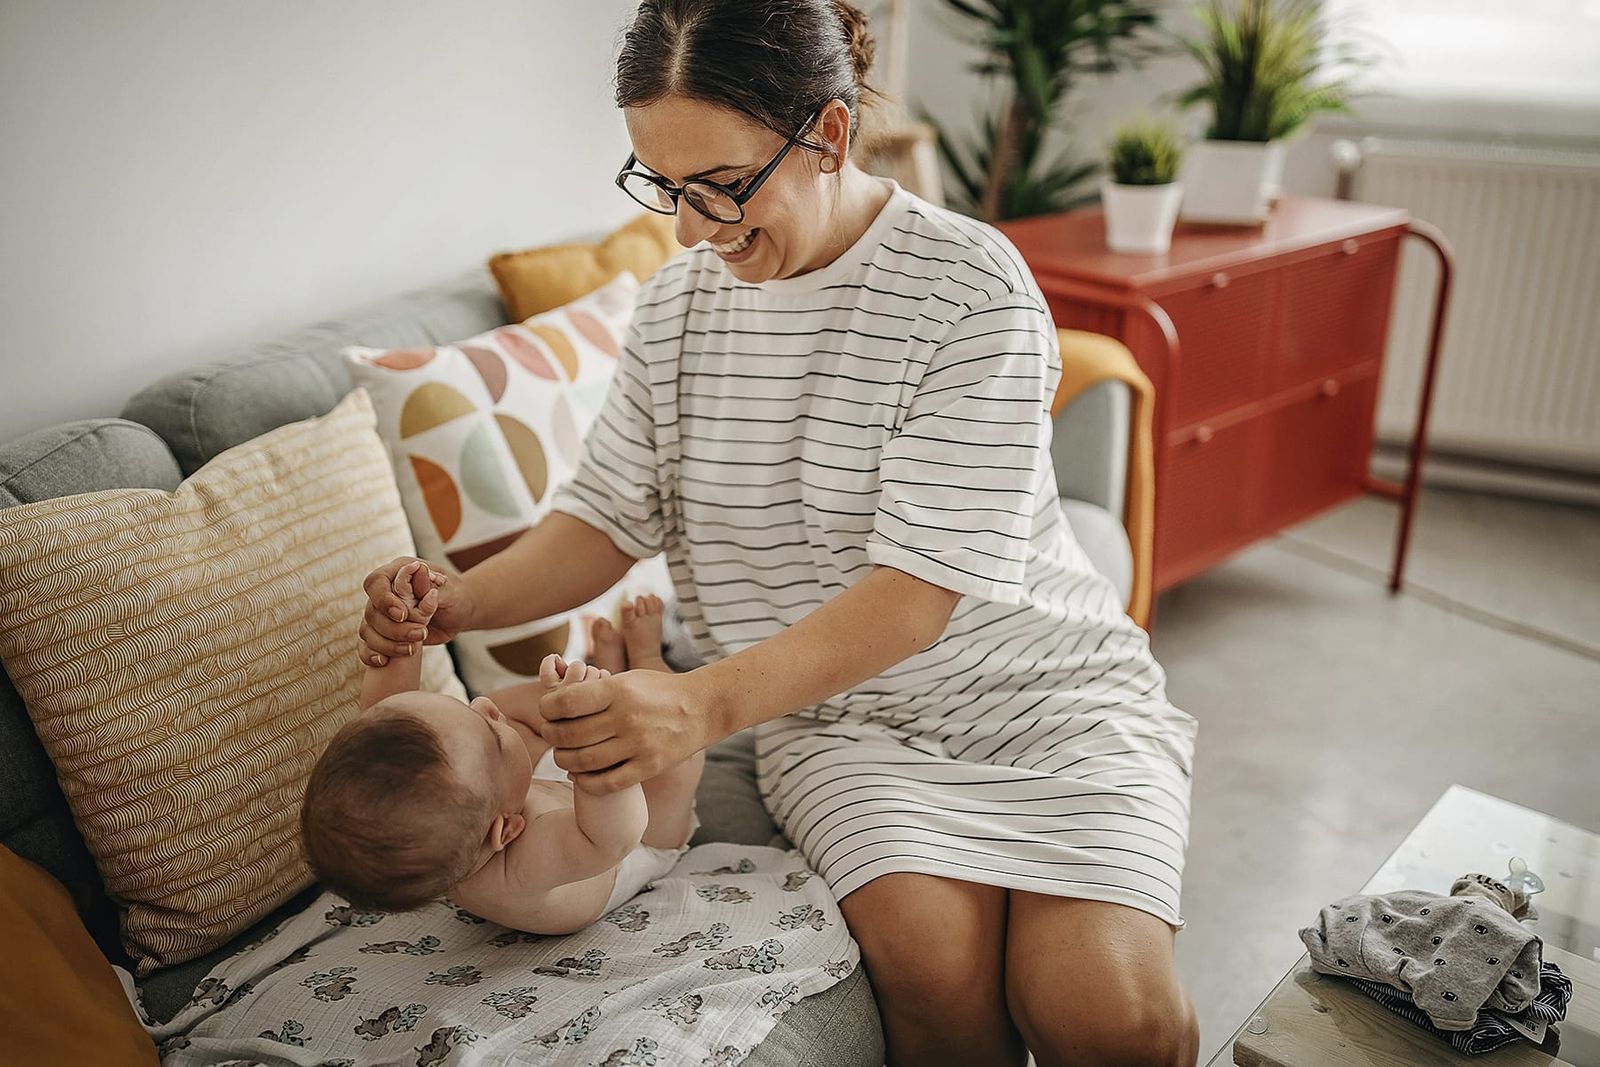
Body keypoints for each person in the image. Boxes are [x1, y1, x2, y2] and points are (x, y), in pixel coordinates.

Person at [357, 2, 1199, 1063]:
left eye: (720, 183)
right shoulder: (674, 310)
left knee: (1107, 1016)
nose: (689, 227)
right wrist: (459, 602)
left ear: (829, 137)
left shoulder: (970, 289)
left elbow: (914, 595)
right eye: (660, 186)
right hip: (838, 719)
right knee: (930, 968)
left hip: (1038, 696)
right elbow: (604, 517)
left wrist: (697, 702)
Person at [306, 563, 701, 934]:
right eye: (491, 733)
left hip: (541, 792)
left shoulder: (460, 824)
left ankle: (608, 681)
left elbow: (388, 708)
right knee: (678, 759)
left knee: (510, 716)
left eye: (469, 710)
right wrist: (590, 737)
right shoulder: (524, 869)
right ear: (507, 829)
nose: (484, 706)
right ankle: (647, 662)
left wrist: (401, 628)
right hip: (627, 834)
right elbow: (615, 838)